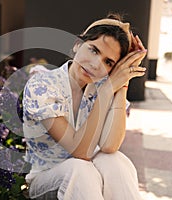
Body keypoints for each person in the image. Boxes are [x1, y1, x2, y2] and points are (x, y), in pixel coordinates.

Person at [22, 13, 147, 200]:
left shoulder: (102, 87)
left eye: (109, 62)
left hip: (87, 174)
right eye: (94, 50)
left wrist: (123, 83)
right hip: (45, 180)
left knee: (115, 161)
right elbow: (80, 151)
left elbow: (110, 145)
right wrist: (107, 91)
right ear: (77, 45)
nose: (96, 64)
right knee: (79, 169)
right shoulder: (42, 85)